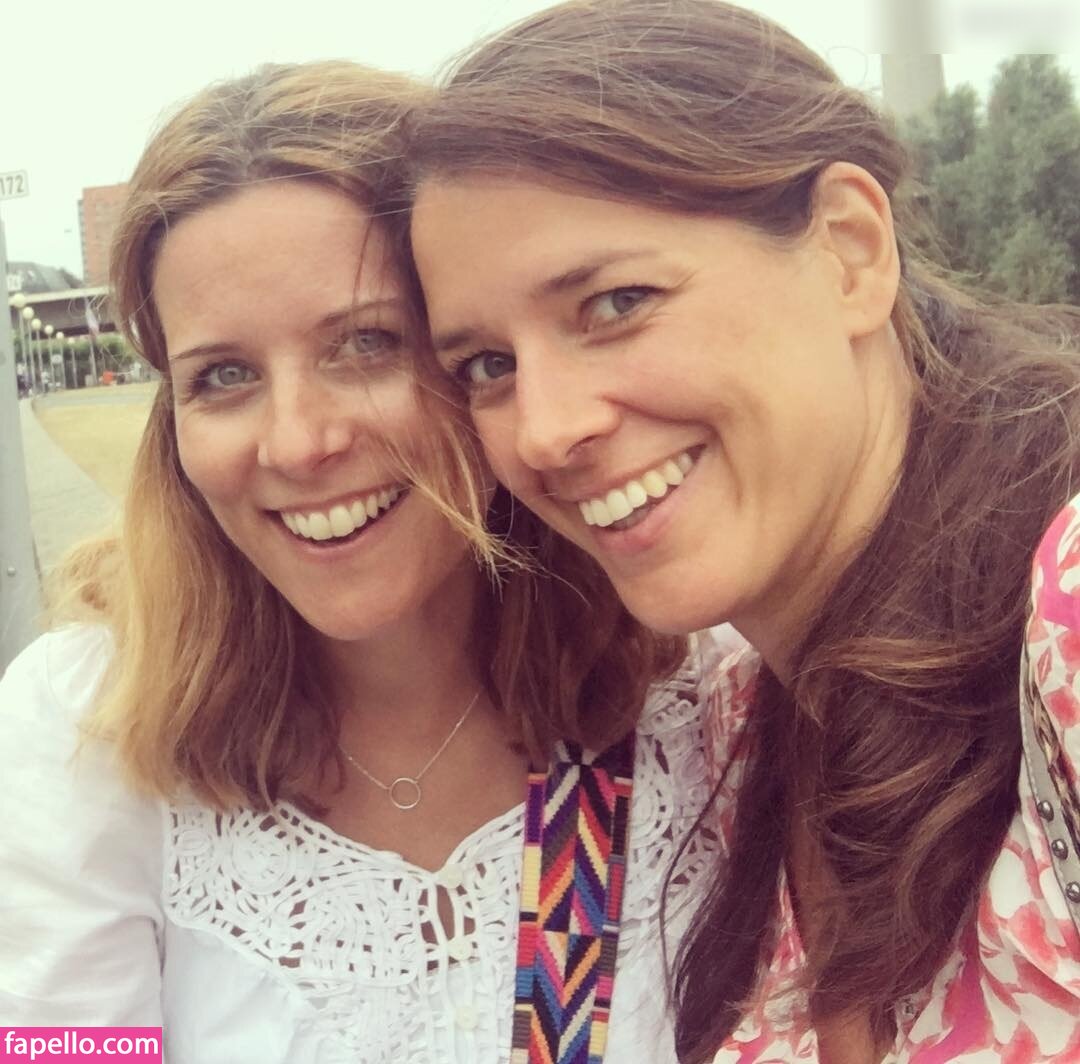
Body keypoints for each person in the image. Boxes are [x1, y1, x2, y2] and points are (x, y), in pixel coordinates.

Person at [0, 61, 719, 1063]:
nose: (298, 443)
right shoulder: (85, 728)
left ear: (479, 357)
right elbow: (59, 1042)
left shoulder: (697, 680)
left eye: (366, 344)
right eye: (224, 375)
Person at [404, 1, 1080, 1061]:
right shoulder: (733, 717)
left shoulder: (1063, 621)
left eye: (615, 303)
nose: (543, 431)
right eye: (488, 365)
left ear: (850, 251)